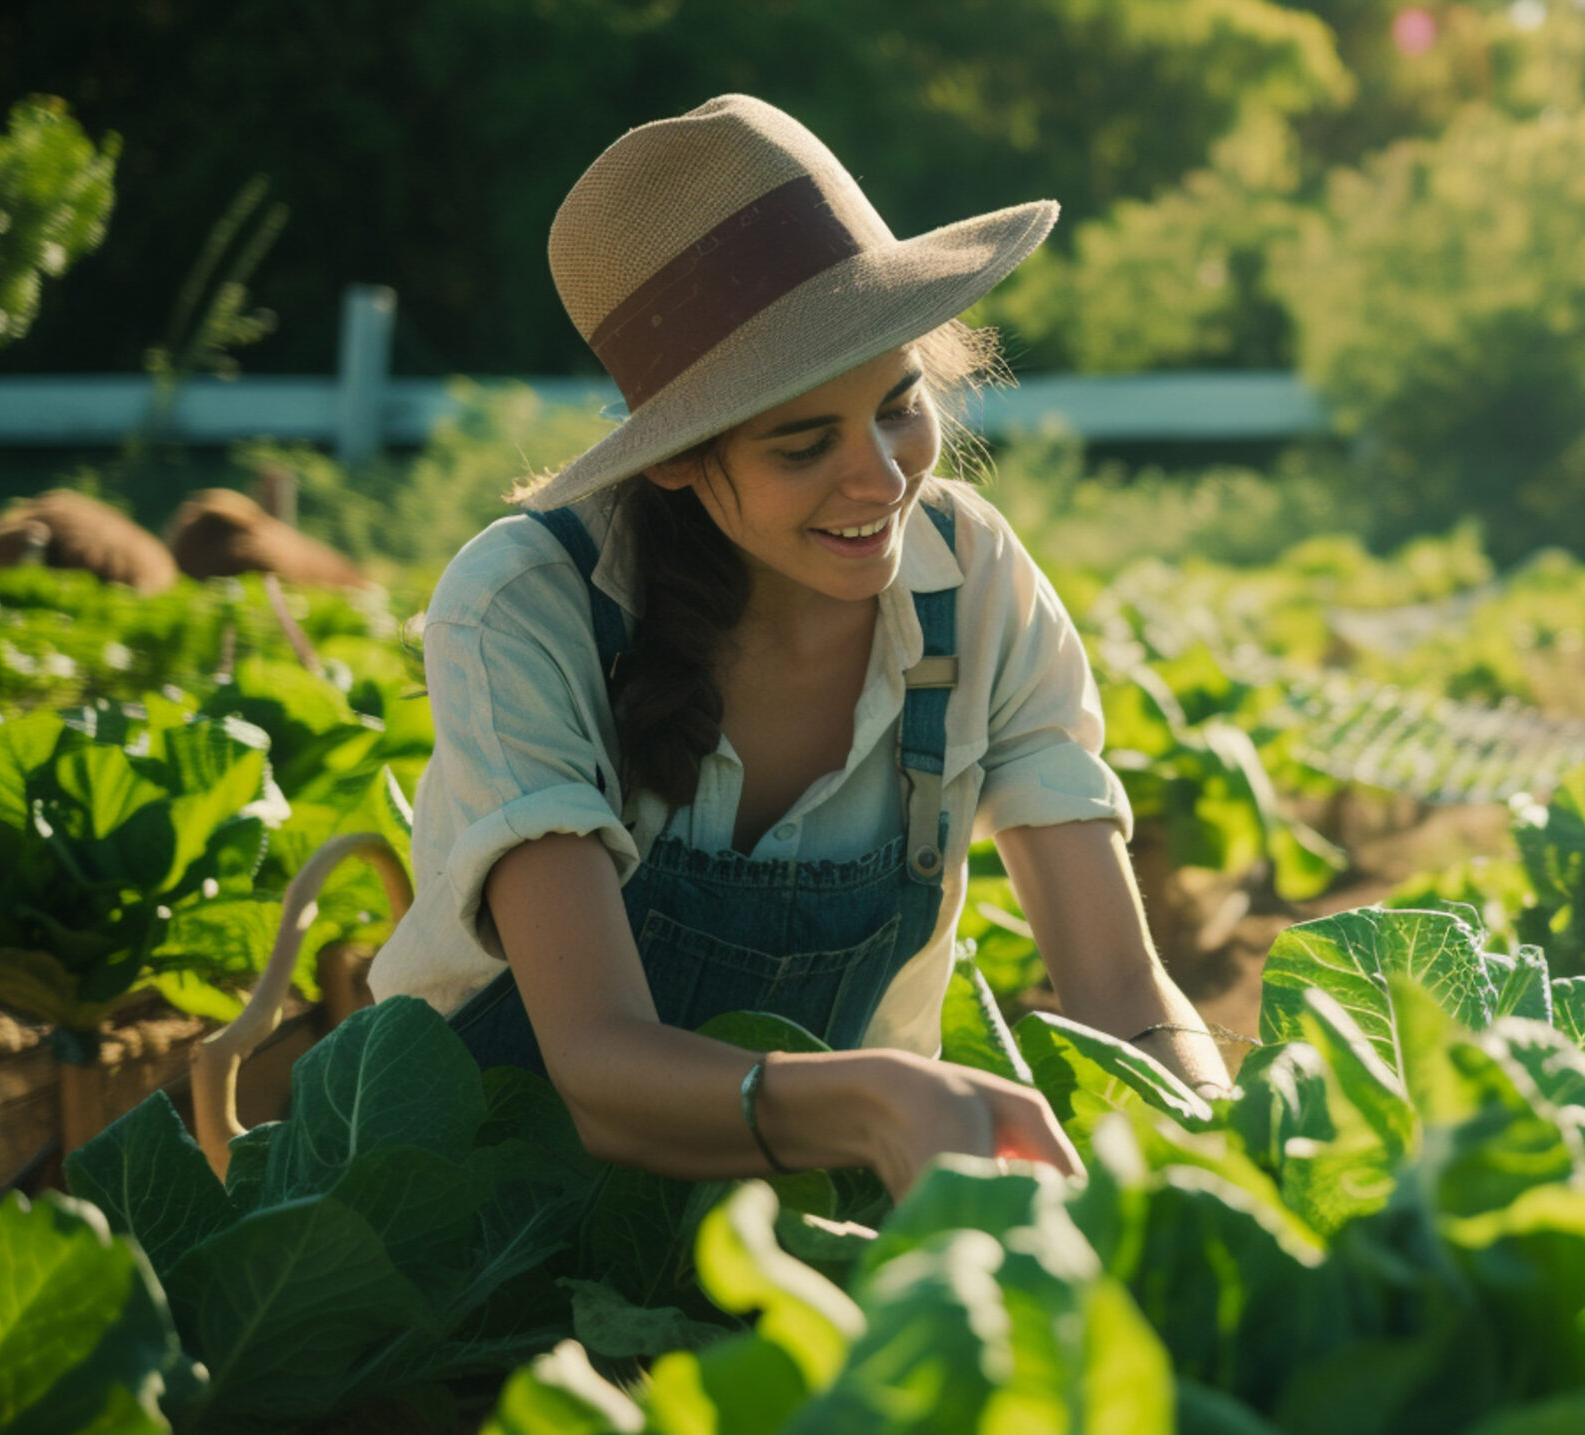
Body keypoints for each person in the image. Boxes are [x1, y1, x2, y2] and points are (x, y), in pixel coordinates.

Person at [365, 94, 1231, 1200]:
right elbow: (593, 1062)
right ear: (675, 456)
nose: (879, 478)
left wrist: (1225, 1158)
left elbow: (1120, 987)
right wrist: (878, 1099)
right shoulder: (529, 605)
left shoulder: (972, 581)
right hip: (477, 1225)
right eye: (802, 442)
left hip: (814, 1205)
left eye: (898, 406)